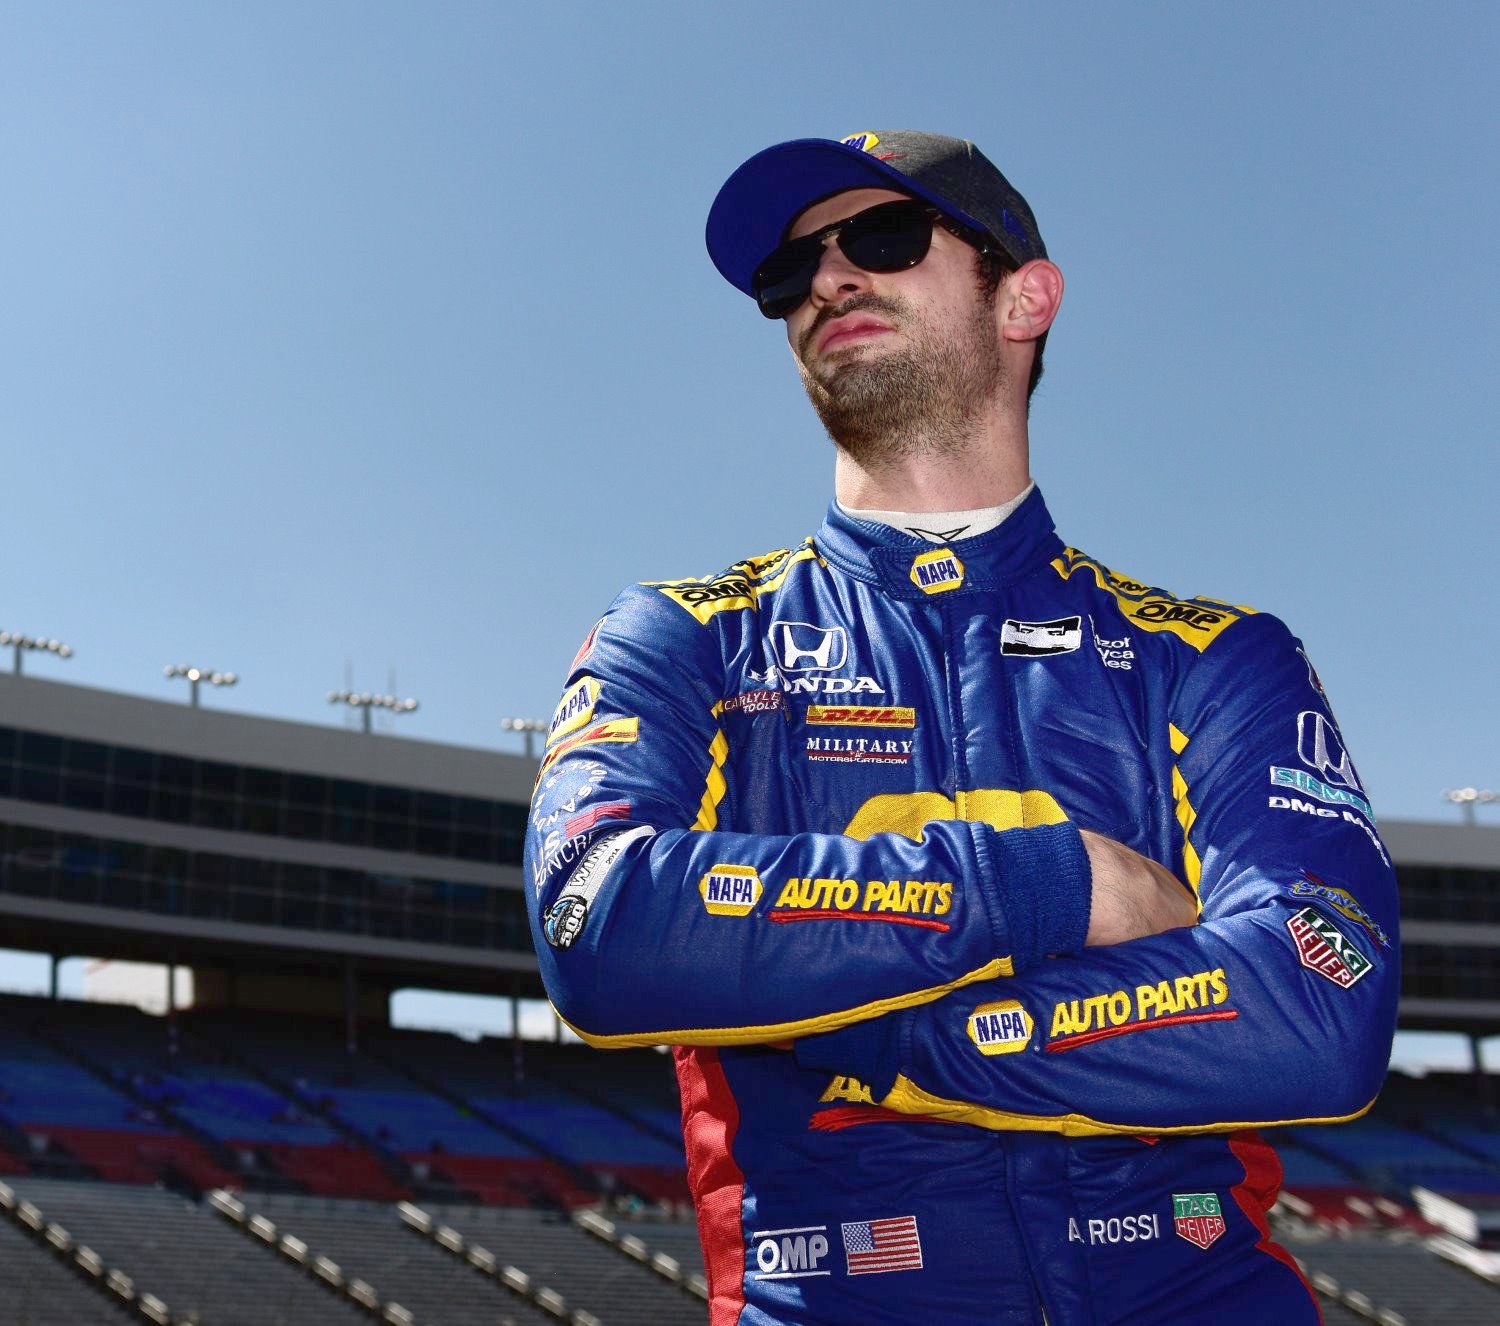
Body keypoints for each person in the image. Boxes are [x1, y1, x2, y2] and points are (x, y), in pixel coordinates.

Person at [525, 130, 1399, 1325]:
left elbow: (1319, 1005)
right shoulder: (684, 635)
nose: (826, 279)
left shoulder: (1213, 656)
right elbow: (600, 923)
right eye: (791, 274)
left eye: (882, 237)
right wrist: (1045, 888)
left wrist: (879, 1031)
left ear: (1024, 296)